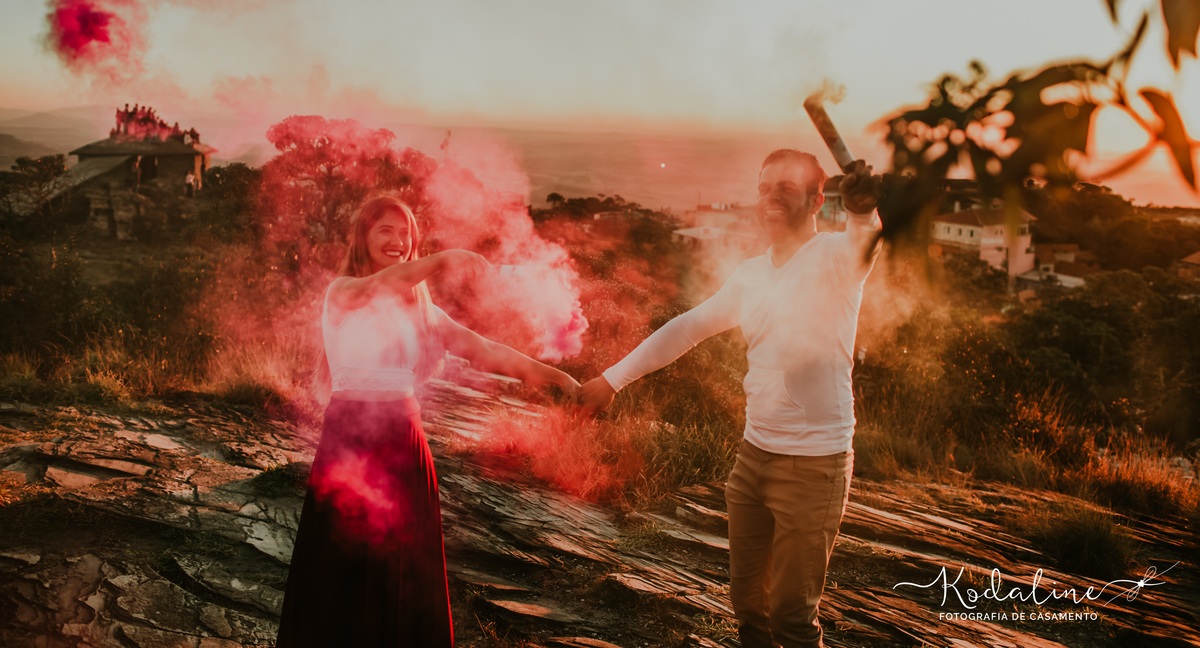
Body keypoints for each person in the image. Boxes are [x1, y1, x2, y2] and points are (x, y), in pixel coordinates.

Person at [579, 150, 881, 648]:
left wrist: (863, 210)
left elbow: (863, 240)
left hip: (814, 467)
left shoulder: (833, 259)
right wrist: (612, 380)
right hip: (752, 460)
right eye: (764, 188)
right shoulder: (751, 275)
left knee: (792, 619)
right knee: (749, 609)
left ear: (816, 201)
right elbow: (686, 329)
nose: (770, 198)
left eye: (786, 188)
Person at [276, 193, 580, 648]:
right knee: (341, 564)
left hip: (405, 442)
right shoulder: (342, 291)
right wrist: (444, 259)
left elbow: (486, 350)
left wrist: (557, 377)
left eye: (406, 234)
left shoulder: (423, 313)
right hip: (350, 445)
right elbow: (377, 287)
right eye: (386, 230)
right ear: (363, 237)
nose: (398, 241)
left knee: (404, 571)